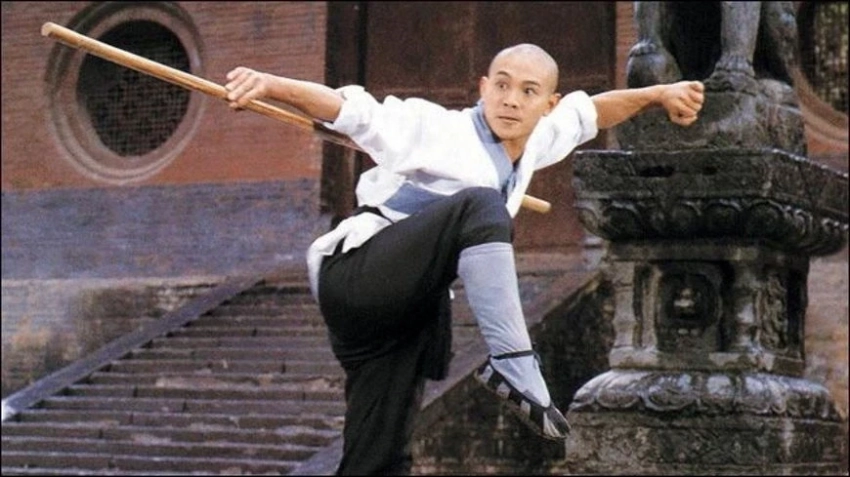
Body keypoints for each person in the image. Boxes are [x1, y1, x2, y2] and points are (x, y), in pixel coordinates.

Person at [225, 43, 704, 475]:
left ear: (548, 104)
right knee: (482, 205)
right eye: (502, 86)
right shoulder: (438, 129)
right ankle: (512, 360)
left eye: (528, 91)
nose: (511, 100)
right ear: (483, 88)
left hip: (406, 314)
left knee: (380, 457)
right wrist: (270, 84)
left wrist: (659, 94)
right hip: (358, 276)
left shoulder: (538, 139)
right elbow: (349, 109)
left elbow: (593, 111)